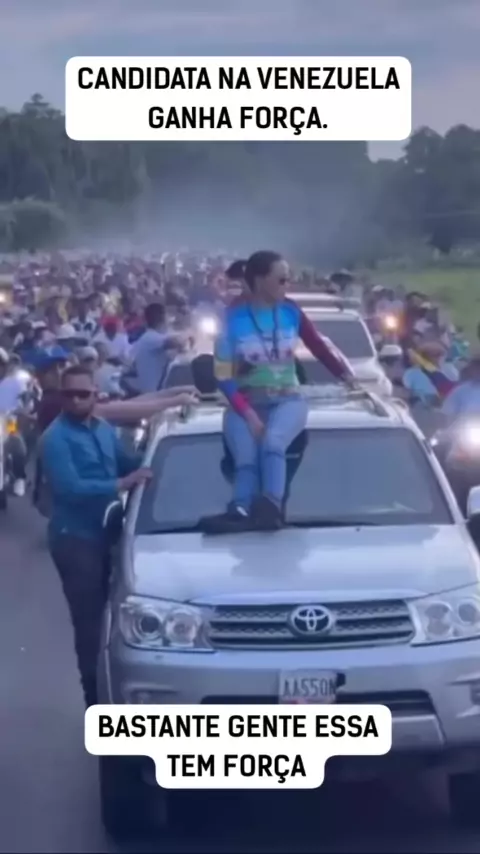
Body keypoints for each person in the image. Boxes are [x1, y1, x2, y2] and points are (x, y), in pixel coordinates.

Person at [212, 250, 355, 530]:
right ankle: (239, 509)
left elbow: (317, 345)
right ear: (259, 280)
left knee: (273, 443)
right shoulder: (232, 318)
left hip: (288, 399)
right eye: (281, 280)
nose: (287, 285)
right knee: (246, 460)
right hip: (245, 402)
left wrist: (344, 375)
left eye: (288, 279)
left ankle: (271, 505)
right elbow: (223, 375)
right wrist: (248, 415)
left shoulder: (291, 311)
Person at [40, 365, 153, 708]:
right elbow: (70, 488)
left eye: (83, 394)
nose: (76, 400)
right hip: (75, 539)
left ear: (95, 394)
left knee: (121, 621)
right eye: (69, 394)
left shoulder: (103, 430)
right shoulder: (55, 439)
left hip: (111, 534)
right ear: (61, 396)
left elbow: (127, 462)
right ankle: (96, 702)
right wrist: (121, 484)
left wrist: (155, 463)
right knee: (90, 626)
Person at [128, 302, 186, 393]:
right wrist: (183, 341)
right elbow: (176, 342)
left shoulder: (152, 338)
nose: (169, 319)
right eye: (167, 316)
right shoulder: (150, 337)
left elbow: (171, 355)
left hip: (156, 392)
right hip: (153, 394)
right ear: (162, 318)